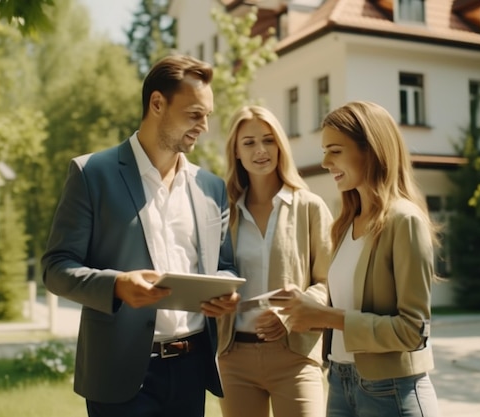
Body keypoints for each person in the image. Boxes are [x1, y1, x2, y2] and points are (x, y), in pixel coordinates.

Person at [41, 54, 240, 417]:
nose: (205, 126)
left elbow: (223, 266)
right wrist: (116, 285)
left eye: (208, 115)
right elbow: (56, 268)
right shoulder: (92, 174)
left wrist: (223, 292)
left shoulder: (211, 188)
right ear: (158, 103)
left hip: (191, 370)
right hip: (120, 375)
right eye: (195, 114)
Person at [273, 101, 440, 417]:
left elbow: (413, 330)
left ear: (371, 150)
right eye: (325, 151)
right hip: (340, 382)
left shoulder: (404, 221)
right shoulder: (346, 223)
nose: (325, 162)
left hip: (391, 390)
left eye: (335, 150)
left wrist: (325, 316)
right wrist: (306, 306)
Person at [216, 105, 333, 417]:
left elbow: (327, 282)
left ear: (280, 146)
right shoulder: (223, 212)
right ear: (236, 152)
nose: (260, 151)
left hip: (295, 354)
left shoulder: (310, 207)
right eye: (249, 143)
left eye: (268, 140)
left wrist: (291, 314)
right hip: (234, 357)